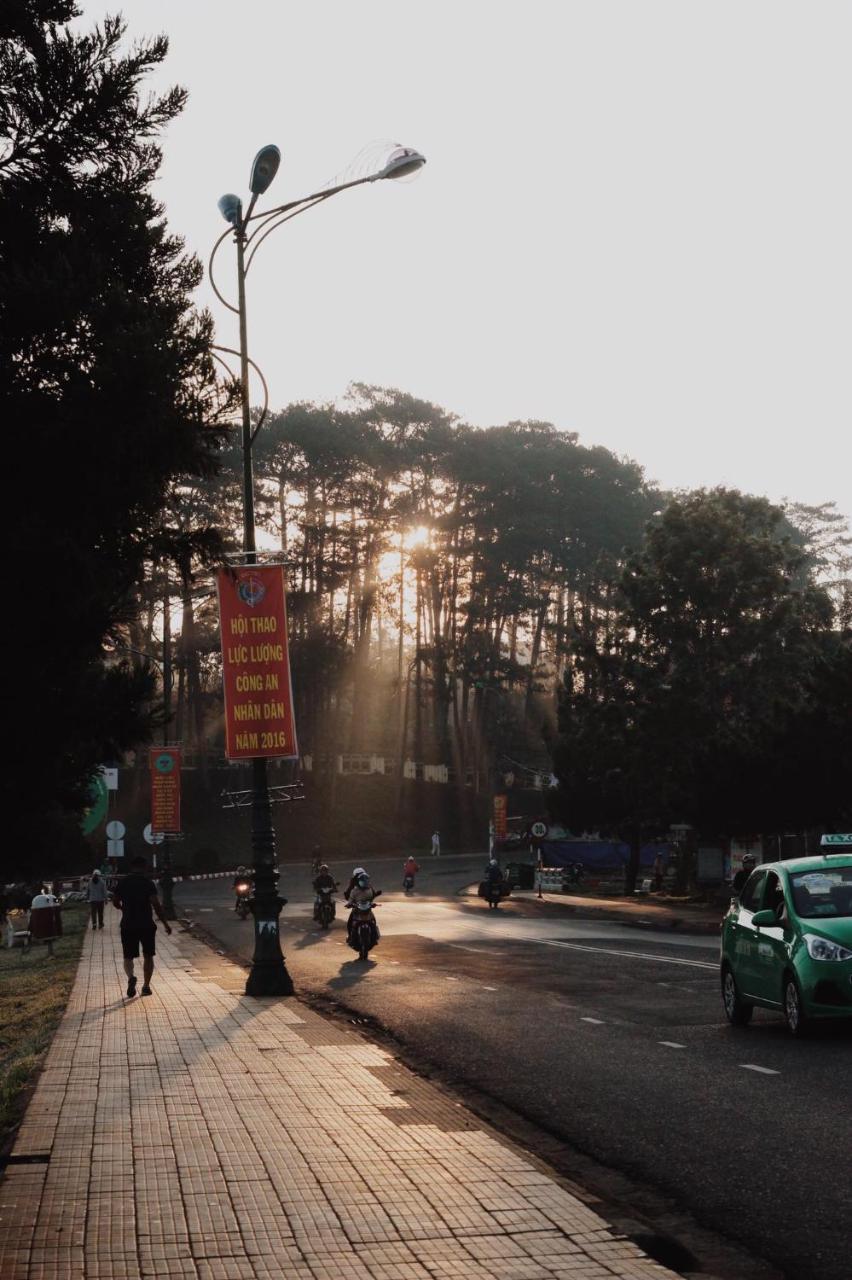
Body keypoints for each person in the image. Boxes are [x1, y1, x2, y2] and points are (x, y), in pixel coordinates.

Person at [112, 855, 172, 998]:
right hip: (146, 924)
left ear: (132, 867)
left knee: (128, 956)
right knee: (148, 956)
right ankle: (146, 987)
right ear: (144, 867)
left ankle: (131, 977)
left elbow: (115, 901)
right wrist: (165, 923)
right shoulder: (148, 883)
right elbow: (156, 904)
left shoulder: (123, 882)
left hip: (128, 924)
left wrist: (123, 909)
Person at [345, 872, 380, 946]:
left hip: (367, 910)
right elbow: (350, 899)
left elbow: (372, 899)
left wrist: (373, 904)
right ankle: (350, 938)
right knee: (349, 923)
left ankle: (374, 938)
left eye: (366, 880)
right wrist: (349, 904)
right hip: (357, 910)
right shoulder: (354, 890)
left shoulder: (370, 890)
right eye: (362, 880)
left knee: (373, 922)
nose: (364, 881)